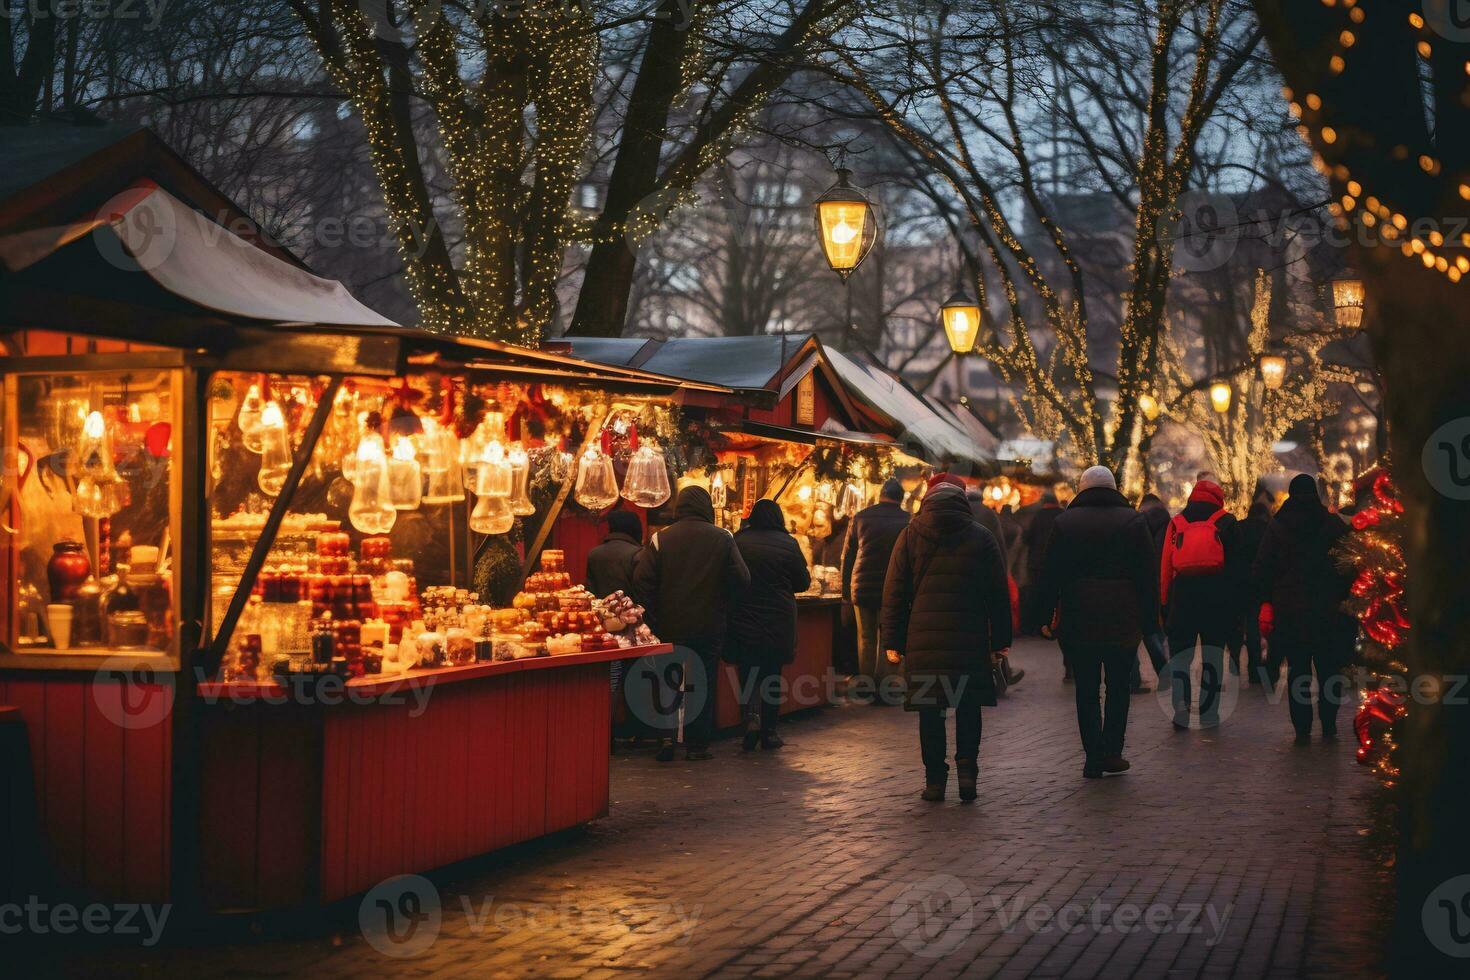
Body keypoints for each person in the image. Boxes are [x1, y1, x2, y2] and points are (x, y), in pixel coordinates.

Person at [881, 476, 1011, 803]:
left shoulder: (910, 536)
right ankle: (967, 775)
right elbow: (998, 592)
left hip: (924, 639)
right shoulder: (981, 537)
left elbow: (895, 592)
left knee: (931, 710)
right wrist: (1001, 641)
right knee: (968, 708)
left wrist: (893, 640)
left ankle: (935, 782)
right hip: (969, 636)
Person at [1038, 466, 1158, 778]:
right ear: (1113, 488)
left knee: (1086, 688)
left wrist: (1044, 617)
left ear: (1082, 488)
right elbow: (1148, 575)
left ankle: (1092, 756)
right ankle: (1112, 751)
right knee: (1119, 686)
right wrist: (1150, 618)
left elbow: (1050, 574)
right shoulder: (1134, 521)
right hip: (1123, 616)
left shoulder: (1065, 523)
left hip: (1080, 617)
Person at [632, 485, 751, 761]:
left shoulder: (660, 538)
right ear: (706, 507)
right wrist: (724, 603)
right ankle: (697, 745)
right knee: (702, 682)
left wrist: (653, 614)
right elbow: (742, 579)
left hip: (669, 625)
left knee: (666, 681)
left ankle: (665, 738)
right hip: (709, 625)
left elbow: (642, 581)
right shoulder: (722, 538)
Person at [1252, 474, 1354, 743]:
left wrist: (1268, 599)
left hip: (1291, 611)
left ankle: (1302, 728)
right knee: (1328, 669)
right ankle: (1329, 724)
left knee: (1298, 670)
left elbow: (1262, 568)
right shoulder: (1332, 524)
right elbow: (1349, 565)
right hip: (1327, 610)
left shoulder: (1278, 526)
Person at [726, 499, 811, 750]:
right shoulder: (788, 543)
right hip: (778, 619)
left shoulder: (738, 541)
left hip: (743, 616)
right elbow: (802, 582)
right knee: (772, 674)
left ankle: (750, 718)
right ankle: (770, 732)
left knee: (748, 672)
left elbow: (728, 577)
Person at [1159, 479, 1238, 729]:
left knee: (1181, 656)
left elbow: (1166, 565)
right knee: (1212, 656)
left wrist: (1164, 601)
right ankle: (1209, 713)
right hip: (1218, 596)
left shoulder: (1177, 522)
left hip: (1183, 595)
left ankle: (1180, 710)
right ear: (1218, 498)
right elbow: (1238, 568)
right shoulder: (1227, 522)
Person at [840, 478, 910, 704]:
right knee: (889, 636)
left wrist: (845, 590)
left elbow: (848, 556)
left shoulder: (861, 517)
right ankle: (885, 687)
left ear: (881, 494)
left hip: (862, 586)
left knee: (866, 637)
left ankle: (866, 685)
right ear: (900, 498)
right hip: (894, 587)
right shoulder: (907, 520)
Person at [968, 489, 1025, 688]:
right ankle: (1001, 673)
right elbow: (999, 546)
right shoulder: (988, 514)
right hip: (987, 576)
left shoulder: (962, 512)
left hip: (967, 578)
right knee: (992, 626)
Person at [1133, 493, 1173, 692]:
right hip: (1160, 586)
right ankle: (1165, 674)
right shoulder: (1170, 524)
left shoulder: (1136, 524)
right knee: (1153, 632)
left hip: (1135, 586)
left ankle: (1133, 680)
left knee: (1132, 634)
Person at [1232, 498, 1272, 685]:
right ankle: (1255, 668)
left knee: (1239, 623)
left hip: (1238, 584)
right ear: (1264, 515)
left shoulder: (1238, 528)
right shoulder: (1268, 530)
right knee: (1257, 625)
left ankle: (1234, 664)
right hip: (1260, 585)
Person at [1020, 489, 1062, 635]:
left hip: (1037, 563)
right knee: (1056, 595)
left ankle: (1037, 625)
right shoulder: (1062, 515)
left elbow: (1027, 538)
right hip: (1057, 563)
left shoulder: (1038, 516)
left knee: (1037, 593)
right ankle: (1054, 623)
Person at [586, 510, 643, 599]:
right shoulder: (638, 554)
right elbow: (643, 593)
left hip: (600, 610)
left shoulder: (594, 553)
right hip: (629, 611)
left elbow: (590, 592)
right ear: (635, 528)